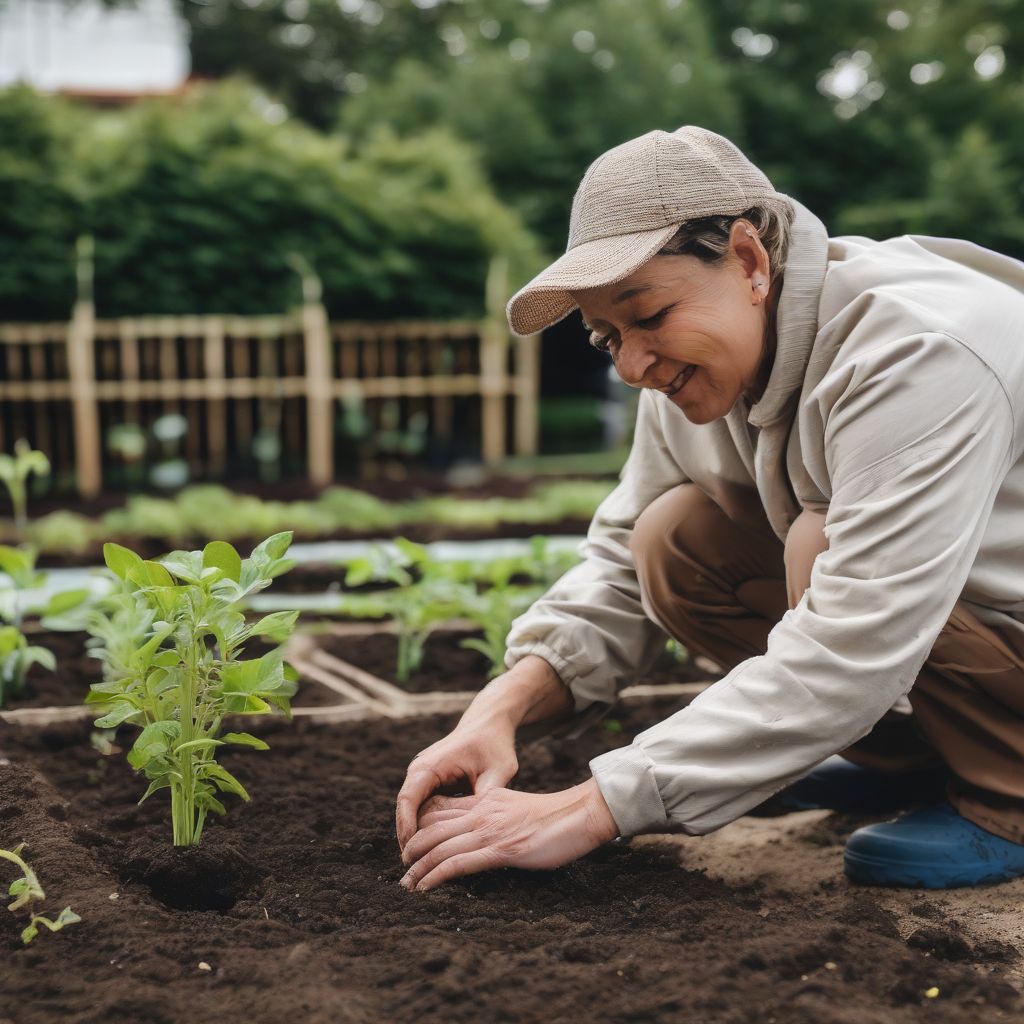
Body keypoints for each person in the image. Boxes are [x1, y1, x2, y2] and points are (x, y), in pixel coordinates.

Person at [395, 126, 1024, 892]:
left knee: (817, 544)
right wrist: (504, 707)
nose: (631, 364)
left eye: (650, 316)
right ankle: (912, 765)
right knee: (673, 540)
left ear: (750, 259)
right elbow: (624, 563)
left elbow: (860, 639)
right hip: (985, 641)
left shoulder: (915, 351)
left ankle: (1007, 798)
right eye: (607, 337)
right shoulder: (700, 369)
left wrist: (592, 806)